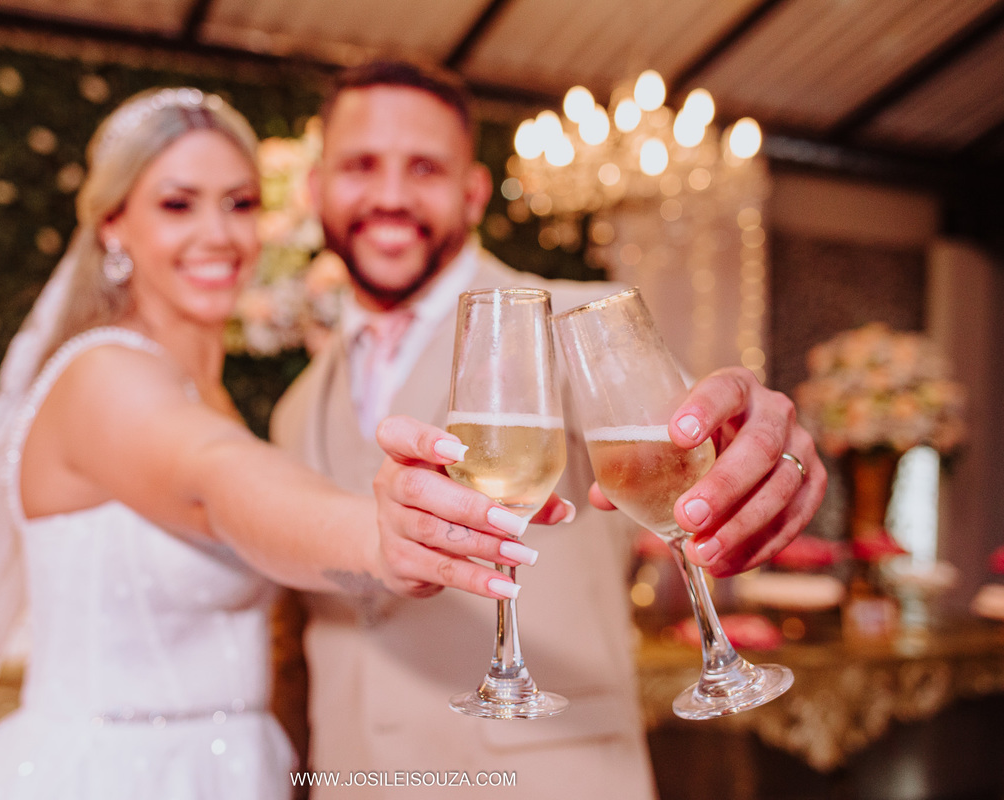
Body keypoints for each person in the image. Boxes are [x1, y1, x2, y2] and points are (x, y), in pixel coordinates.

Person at [0, 87, 564, 800]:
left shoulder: (218, 396)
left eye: (239, 204)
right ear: (113, 226)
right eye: (177, 204)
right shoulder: (103, 374)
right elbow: (219, 480)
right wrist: (380, 537)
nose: (219, 234)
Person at [270, 60, 827, 798]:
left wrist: (764, 451)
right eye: (361, 165)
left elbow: (710, 430)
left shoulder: (577, 318)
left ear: (472, 194)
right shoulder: (296, 406)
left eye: (425, 167)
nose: (391, 195)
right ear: (316, 189)